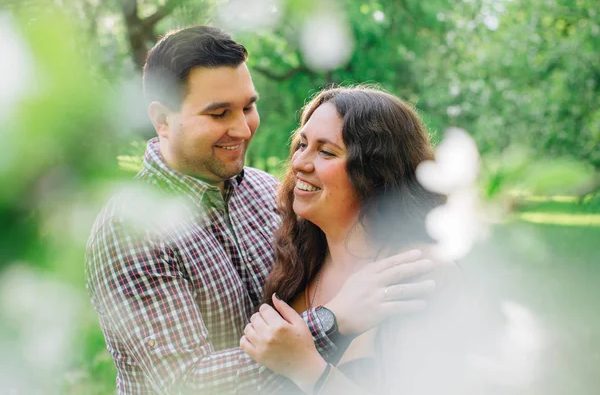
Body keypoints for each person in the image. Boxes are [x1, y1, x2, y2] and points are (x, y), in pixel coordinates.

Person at [85, 27, 441, 394]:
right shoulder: (131, 229)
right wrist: (331, 321)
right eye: (219, 113)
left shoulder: (264, 190)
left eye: (248, 107)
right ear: (162, 120)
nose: (242, 128)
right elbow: (183, 383)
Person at [241, 86, 463, 394]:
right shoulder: (296, 261)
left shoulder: (421, 275)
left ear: (375, 174)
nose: (299, 163)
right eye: (302, 144)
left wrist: (309, 369)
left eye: (326, 152)